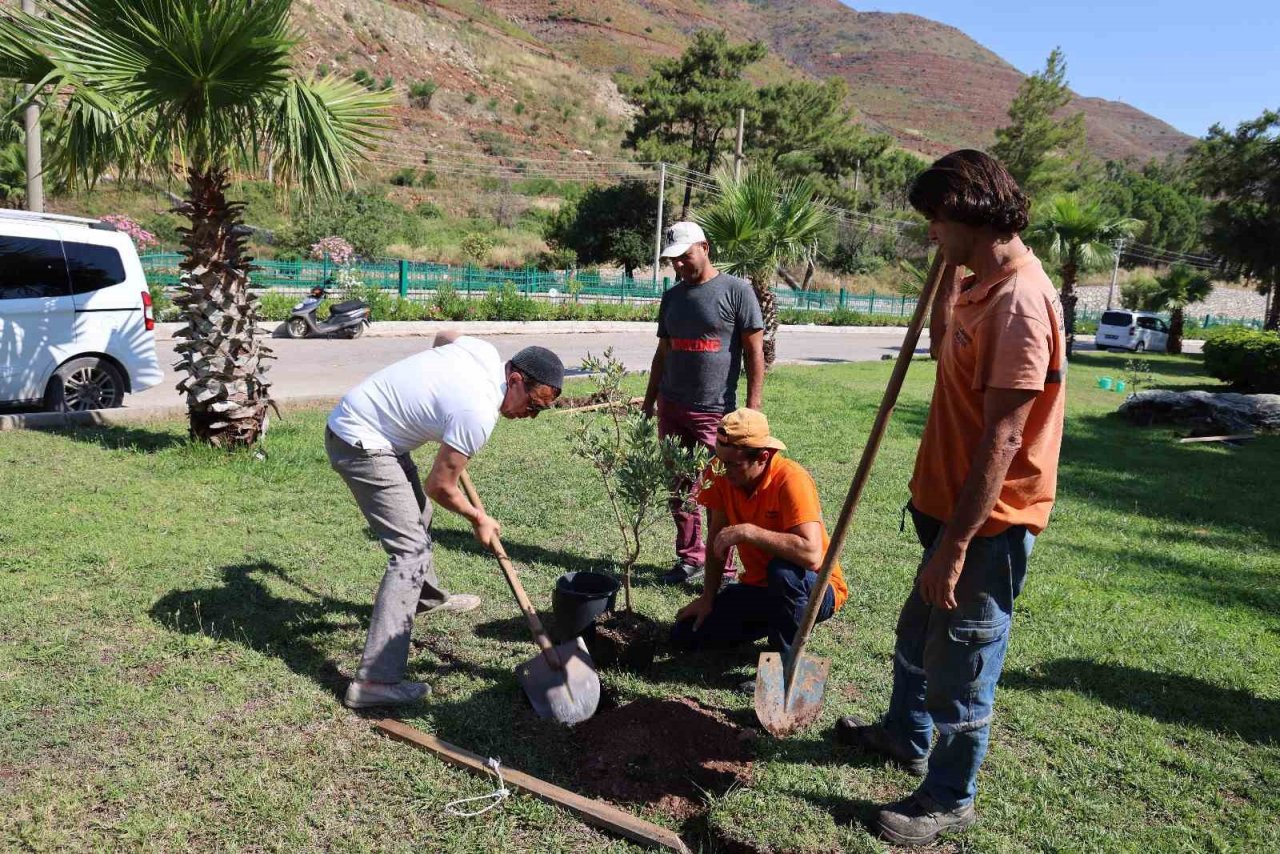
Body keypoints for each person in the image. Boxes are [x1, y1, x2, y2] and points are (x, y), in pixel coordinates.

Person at [835, 149, 1066, 846]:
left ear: (966, 213)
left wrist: (958, 548)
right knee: (916, 636)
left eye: (936, 220)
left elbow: (1002, 439)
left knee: (962, 664)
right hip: (944, 507)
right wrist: (948, 278)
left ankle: (947, 798)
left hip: (987, 525)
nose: (930, 234)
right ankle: (904, 735)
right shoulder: (979, 286)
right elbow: (945, 352)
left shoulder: (1022, 302)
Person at [325, 333, 564, 709]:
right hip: (360, 442)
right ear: (515, 380)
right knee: (410, 554)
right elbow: (439, 484)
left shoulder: (482, 351)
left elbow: (443, 337)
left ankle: (428, 599)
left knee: (420, 513)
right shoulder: (478, 412)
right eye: (532, 406)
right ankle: (375, 681)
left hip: (373, 428)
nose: (529, 417)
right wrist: (477, 517)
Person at [671, 408, 847, 688]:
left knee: (783, 572)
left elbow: (811, 554)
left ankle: (785, 671)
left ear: (762, 457)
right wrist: (707, 599)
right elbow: (717, 544)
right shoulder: (722, 473)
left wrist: (749, 532)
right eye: (719, 460)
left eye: (731, 464)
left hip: (813, 590)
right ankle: (779, 625)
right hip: (761, 588)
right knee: (684, 635)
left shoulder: (791, 479)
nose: (721, 470)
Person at [642, 221, 766, 586]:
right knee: (678, 487)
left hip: (715, 410)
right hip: (672, 406)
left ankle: (724, 569)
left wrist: (753, 406)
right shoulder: (672, 298)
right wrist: (650, 402)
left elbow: (754, 350)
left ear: (705, 247)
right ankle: (690, 558)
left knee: (720, 489)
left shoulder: (737, 290)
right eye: (673, 260)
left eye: (685, 257)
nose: (678, 266)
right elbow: (662, 353)